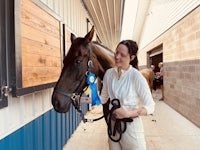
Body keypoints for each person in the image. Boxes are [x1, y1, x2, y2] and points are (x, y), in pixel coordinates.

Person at [100, 40, 155, 150]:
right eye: (116, 52)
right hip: (113, 126)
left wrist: (128, 113)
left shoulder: (136, 77)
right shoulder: (109, 74)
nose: (117, 57)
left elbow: (150, 107)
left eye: (122, 55)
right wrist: (82, 99)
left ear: (132, 57)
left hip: (131, 128)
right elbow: (102, 99)